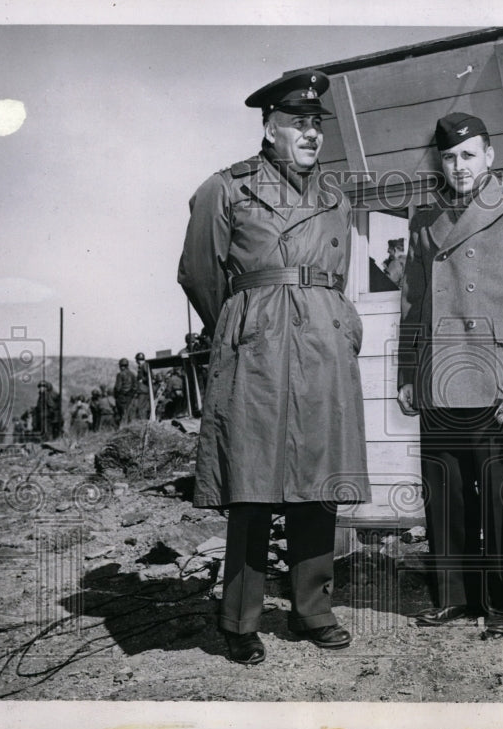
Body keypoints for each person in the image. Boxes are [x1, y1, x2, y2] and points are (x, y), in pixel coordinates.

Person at [178, 68, 369, 665]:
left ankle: (314, 610)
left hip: (323, 344)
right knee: (252, 484)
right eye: (297, 123)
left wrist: (343, 325)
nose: (310, 134)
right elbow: (200, 274)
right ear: (269, 126)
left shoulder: (336, 196)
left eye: (317, 124)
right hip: (257, 348)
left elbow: (339, 274)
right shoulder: (226, 188)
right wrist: (242, 325)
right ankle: (239, 619)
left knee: (318, 481)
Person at [397, 112, 503, 639]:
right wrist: (407, 372)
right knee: (446, 494)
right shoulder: (424, 219)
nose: (458, 166)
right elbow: (413, 303)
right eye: (448, 157)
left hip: (497, 372)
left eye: (468, 155)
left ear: (490, 156)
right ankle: (456, 597)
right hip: (439, 371)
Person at [113, 358, 136, 425]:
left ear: (121, 366)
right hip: (130, 397)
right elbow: (135, 387)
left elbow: (118, 388)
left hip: (121, 397)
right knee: (129, 415)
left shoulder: (120, 374)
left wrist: (116, 395)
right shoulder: (132, 374)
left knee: (122, 415)